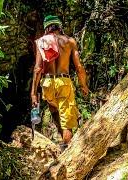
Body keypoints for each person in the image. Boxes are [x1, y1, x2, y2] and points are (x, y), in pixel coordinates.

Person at [30, 15, 89, 150]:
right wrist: (83, 85)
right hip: (63, 82)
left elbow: (38, 69)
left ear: (46, 28)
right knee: (67, 121)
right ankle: (66, 148)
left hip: (47, 84)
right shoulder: (69, 41)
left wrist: (33, 93)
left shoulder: (41, 42)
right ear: (59, 26)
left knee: (55, 110)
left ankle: (65, 143)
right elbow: (79, 67)